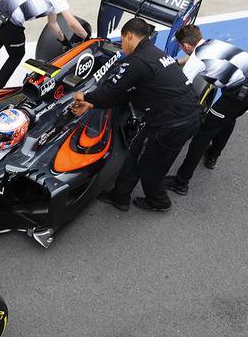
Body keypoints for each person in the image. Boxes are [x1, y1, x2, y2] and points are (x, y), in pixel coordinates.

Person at [70, 18, 201, 212]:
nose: (123, 46)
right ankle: (120, 196)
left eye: (122, 41)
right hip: (182, 115)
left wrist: (85, 96)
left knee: (148, 163)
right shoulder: (154, 53)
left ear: (129, 36)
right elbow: (125, 93)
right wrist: (91, 104)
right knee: (137, 151)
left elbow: (110, 91)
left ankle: (159, 202)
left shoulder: (137, 62)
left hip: (172, 122)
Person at [164, 24, 248, 195]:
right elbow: (197, 57)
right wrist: (176, 62)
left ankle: (181, 182)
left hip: (243, 92)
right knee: (226, 118)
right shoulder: (213, 43)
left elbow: (180, 85)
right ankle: (212, 156)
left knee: (204, 132)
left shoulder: (196, 59)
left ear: (184, 46)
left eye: (181, 47)